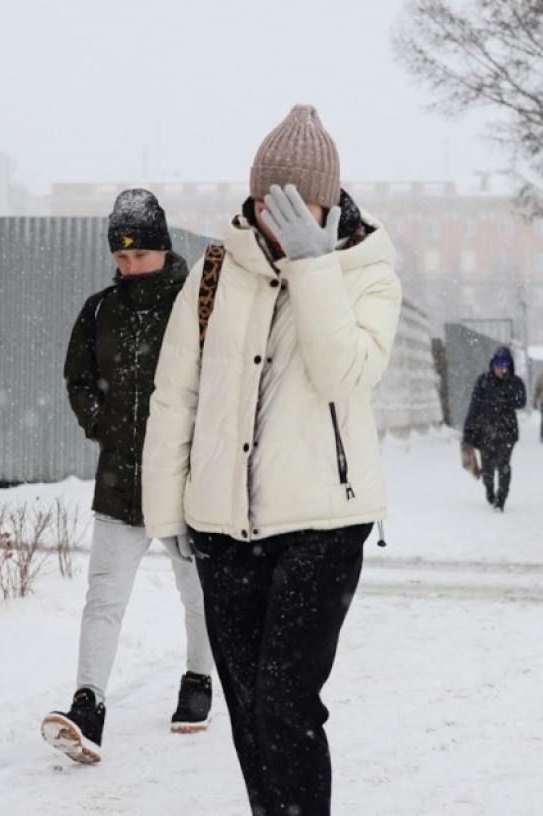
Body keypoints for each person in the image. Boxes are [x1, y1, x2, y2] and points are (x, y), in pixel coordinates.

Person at [142, 105, 402, 816]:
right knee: (251, 710)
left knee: (287, 705)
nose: (277, 218)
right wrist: (168, 513)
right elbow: (177, 397)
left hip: (323, 522)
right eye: (266, 203)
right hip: (226, 529)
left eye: (299, 204)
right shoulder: (213, 272)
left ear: (331, 201)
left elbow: (344, 371)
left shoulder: (368, 272)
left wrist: (315, 266)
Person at [41, 189, 215, 765]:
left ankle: (198, 680)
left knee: (198, 594)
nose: (128, 265)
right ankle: (88, 704)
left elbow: (222, 384)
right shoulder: (99, 311)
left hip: (186, 481)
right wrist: (106, 429)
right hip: (119, 479)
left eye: (139, 254)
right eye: (120, 256)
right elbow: (78, 379)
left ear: (162, 249)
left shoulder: (197, 306)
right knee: (104, 598)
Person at [462, 346, 527, 511]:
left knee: (504, 464)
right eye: (498, 364)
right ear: (492, 364)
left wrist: (508, 386)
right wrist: (468, 433)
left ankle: (502, 497)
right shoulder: (483, 381)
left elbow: (521, 402)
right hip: (486, 432)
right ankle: (489, 488)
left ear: (510, 366)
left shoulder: (515, 382)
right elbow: (474, 408)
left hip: (507, 432)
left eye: (505, 364)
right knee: (487, 467)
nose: (501, 368)